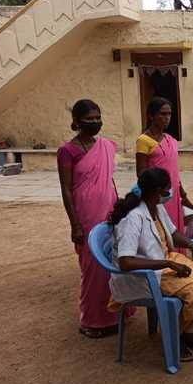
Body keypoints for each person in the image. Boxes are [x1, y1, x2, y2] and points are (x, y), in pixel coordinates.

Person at [109, 168, 193, 362]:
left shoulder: (156, 207)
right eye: (167, 189)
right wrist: (168, 263)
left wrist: (192, 245)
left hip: (166, 262)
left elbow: (172, 234)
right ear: (157, 191)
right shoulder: (133, 218)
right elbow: (125, 261)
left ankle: (182, 330)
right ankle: (173, 337)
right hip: (145, 274)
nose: (170, 193)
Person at [58, 99, 131, 338]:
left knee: (114, 260)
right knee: (93, 266)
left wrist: (119, 207)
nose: (95, 122)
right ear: (77, 122)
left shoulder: (106, 146)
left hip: (108, 209)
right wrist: (75, 224)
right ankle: (93, 320)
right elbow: (66, 189)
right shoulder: (68, 151)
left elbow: (109, 179)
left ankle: (119, 310)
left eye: (98, 118)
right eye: (89, 119)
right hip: (86, 213)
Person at [136, 97, 193, 244]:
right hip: (157, 195)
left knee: (175, 229)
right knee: (162, 232)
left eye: (169, 114)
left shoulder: (170, 139)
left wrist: (183, 195)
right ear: (151, 116)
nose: (167, 118)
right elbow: (141, 173)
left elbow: (174, 172)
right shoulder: (143, 140)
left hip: (172, 195)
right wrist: (154, 194)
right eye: (162, 114)